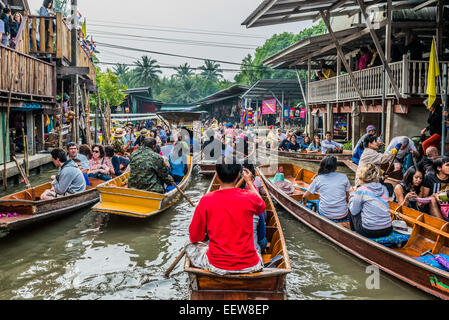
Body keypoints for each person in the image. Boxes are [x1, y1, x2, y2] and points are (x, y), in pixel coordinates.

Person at [185, 164, 265, 275]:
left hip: (217, 266)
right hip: (250, 265)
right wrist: (250, 182)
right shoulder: (250, 197)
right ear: (238, 175)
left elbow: (194, 237)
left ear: (217, 175)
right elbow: (262, 206)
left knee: (189, 245)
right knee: (258, 250)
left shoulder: (206, 200)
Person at [349, 163, 392, 238]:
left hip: (369, 231)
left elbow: (353, 211)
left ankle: (353, 232)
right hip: (387, 229)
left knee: (351, 205)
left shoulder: (361, 190)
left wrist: (352, 194)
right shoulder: (383, 188)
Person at [303, 156, 351, 221]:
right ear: (335, 167)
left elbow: (305, 196)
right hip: (343, 213)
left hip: (326, 214)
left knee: (318, 201)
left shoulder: (318, 179)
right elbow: (347, 197)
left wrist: (304, 204)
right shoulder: (344, 177)